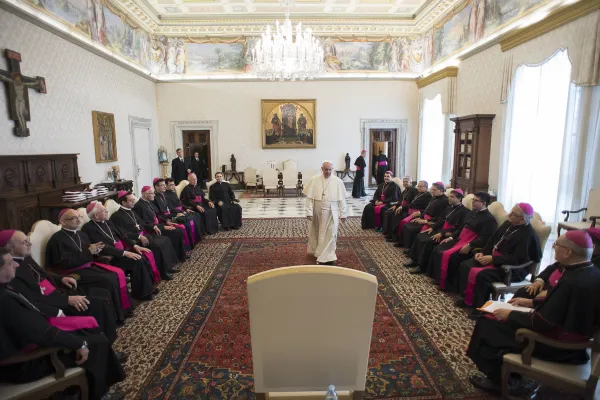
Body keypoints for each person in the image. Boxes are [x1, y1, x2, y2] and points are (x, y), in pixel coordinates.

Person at [466, 231, 600, 395]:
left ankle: (499, 381)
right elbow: (559, 304)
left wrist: (510, 314)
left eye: (556, 244)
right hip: (573, 338)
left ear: (568, 252)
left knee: (487, 323)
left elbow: (541, 322)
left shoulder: (573, 281)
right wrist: (531, 302)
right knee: (494, 318)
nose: (553, 247)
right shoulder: (589, 271)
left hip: (560, 347)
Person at [0, 248, 126, 400]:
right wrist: (79, 344)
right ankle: (98, 395)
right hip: (24, 363)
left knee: (90, 336)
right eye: (9, 262)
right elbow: (42, 333)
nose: (15, 264)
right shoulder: (4, 300)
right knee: (94, 343)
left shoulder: (6, 287)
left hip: (30, 341)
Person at [2, 230, 120, 342]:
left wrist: (61, 278)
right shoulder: (8, 270)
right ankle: (105, 344)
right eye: (24, 242)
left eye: (28, 240)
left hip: (57, 291)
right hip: (51, 304)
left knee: (102, 294)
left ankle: (108, 341)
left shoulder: (25, 258)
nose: (30, 243)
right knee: (99, 303)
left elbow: (42, 273)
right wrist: (67, 300)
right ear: (9, 248)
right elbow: (31, 298)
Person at [46, 209, 132, 324]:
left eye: (79, 217)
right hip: (74, 272)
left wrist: (96, 250)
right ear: (63, 221)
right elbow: (64, 263)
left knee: (115, 275)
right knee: (108, 280)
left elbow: (89, 252)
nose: (78, 220)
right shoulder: (57, 240)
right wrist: (89, 252)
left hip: (88, 266)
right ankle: (115, 317)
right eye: (73, 218)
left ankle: (122, 311)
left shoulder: (82, 234)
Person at [456, 203, 542, 312]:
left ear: (522, 219)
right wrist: (483, 252)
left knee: (482, 276)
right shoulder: (508, 224)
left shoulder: (528, 235)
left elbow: (517, 259)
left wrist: (493, 259)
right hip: (495, 259)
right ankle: (468, 299)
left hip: (512, 269)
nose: (509, 215)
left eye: (513, 214)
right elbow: (492, 240)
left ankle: (479, 308)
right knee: (466, 265)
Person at [82, 202, 159, 301]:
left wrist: (135, 246)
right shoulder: (88, 228)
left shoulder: (108, 222)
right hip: (110, 258)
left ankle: (146, 289)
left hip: (121, 253)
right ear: (96, 215)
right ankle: (143, 294)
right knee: (137, 261)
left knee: (142, 257)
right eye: (104, 210)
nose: (107, 211)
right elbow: (103, 247)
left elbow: (123, 235)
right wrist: (124, 253)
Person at [427, 191, 497, 289]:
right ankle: (439, 278)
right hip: (459, 239)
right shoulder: (472, 212)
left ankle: (449, 285)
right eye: (473, 200)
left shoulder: (489, 219)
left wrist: (470, 245)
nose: (473, 202)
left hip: (470, 245)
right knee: (438, 249)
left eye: (476, 201)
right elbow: (461, 228)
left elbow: (485, 238)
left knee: (452, 257)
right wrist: (451, 237)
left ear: (484, 203)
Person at [110, 191, 180, 280]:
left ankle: (168, 267)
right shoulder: (116, 216)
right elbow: (123, 234)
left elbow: (142, 223)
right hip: (135, 241)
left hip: (144, 235)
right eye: (131, 200)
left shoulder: (132, 211)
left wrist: (153, 226)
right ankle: (163, 273)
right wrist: (138, 236)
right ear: (123, 202)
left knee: (165, 240)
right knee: (157, 246)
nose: (133, 202)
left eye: (133, 200)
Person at [405, 189, 470, 275]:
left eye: (452, 197)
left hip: (449, 233)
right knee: (420, 236)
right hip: (440, 229)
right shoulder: (448, 207)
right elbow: (440, 220)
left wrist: (442, 233)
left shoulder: (465, 212)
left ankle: (421, 266)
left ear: (459, 199)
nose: (449, 199)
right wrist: (432, 227)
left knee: (428, 242)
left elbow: (458, 228)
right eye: (449, 196)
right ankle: (414, 260)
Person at [304, 161, 347, 265]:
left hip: (332, 211)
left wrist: (343, 213)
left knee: (331, 233)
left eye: (329, 170)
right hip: (318, 210)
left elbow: (342, 199)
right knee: (318, 232)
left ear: (332, 170)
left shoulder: (338, 181)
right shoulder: (314, 180)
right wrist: (309, 212)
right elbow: (309, 198)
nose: (328, 172)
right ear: (321, 169)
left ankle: (329, 255)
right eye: (326, 169)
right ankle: (319, 253)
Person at [133, 186, 188, 261]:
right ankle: (178, 257)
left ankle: (180, 255)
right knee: (175, 232)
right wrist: (162, 227)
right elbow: (145, 223)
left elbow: (158, 215)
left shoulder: (149, 202)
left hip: (160, 224)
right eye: (152, 193)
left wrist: (166, 221)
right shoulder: (139, 206)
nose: (154, 195)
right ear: (145, 194)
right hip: (152, 229)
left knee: (178, 229)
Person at [399, 181, 448, 249]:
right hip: (424, 218)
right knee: (407, 225)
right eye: (432, 189)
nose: (432, 191)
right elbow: (426, 210)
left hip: (431, 222)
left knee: (411, 229)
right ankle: (406, 246)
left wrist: (425, 221)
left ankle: (411, 248)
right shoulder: (434, 197)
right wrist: (420, 218)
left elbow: (439, 217)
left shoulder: (445, 201)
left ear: (441, 190)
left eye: (434, 190)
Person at [153, 178, 200, 247]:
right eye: (162, 185)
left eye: (164, 185)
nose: (164, 187)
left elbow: (170, 208)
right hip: (167, 219)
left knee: (189, 218)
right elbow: (160, 214)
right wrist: (174, 215)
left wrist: (182, 211)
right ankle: (186, 247)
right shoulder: (155, 198)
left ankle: (192, 243)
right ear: (156, 187)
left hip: (171, 216)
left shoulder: (162, 195)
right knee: (185, 222)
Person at [389, 181, 432, 246]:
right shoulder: (419, 193)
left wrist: (419, 212)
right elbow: (411, 204)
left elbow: (427, 209)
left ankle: (401, 242)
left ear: (426, 187)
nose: (418, 187)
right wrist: (402, 207)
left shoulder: (428, 196)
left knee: (402, 222)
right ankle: (395, 238)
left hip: (417, 214)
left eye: (421, 186)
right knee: (396, 217)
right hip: (410, 211)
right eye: (418, 186)